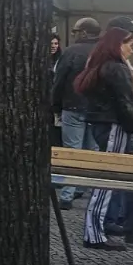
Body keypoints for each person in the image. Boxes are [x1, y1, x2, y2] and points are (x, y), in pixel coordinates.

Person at [75, 26, 133, 250]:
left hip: (108, 125)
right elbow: (128, 104)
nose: (132, 48)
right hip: (113, 127)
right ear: (117, 44)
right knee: (109, 180)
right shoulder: (115, 68)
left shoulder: (102, 66)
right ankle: (95, 234)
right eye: (129, 43)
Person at [50, 18, 102, 208]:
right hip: (97, 110)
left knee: (72, 151)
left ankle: (67, 195)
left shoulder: (71, 51)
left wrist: (55, 105)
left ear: (84, 32)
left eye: (75, 31)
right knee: (92, 151)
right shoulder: (104, 51)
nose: (74, 35)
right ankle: (87, 189)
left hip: (73, 105)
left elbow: (59, 80)